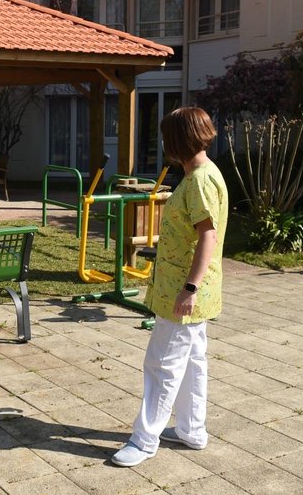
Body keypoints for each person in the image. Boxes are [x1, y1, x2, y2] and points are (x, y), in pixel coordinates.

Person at [112, 107, 229, 467]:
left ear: (178, 141)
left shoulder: (198, 181)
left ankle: (144, 440)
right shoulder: (205, 174)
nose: (163, 144)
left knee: (162, 364)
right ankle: (193, 430)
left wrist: (188, 289)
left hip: (185, 292)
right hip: (195, 292)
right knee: (193, 362)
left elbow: (207, 236)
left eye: (166, 138)